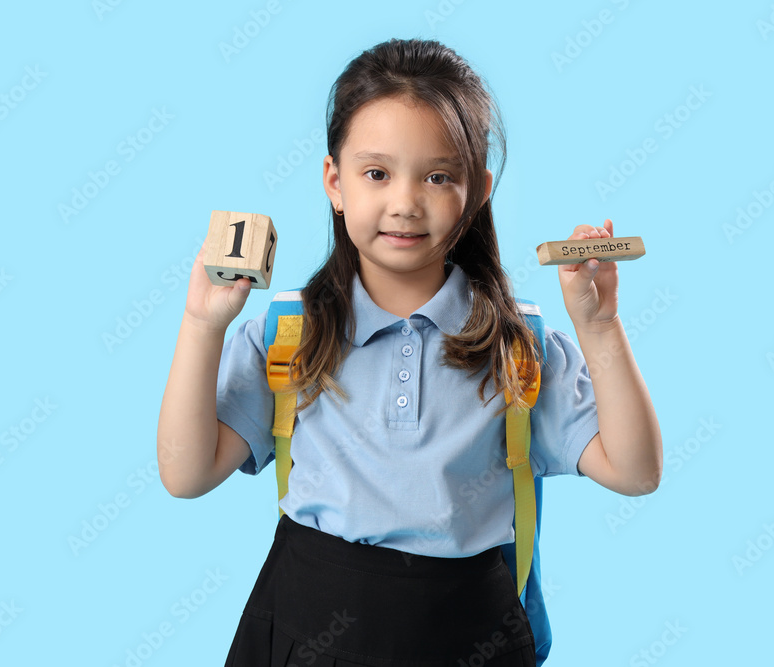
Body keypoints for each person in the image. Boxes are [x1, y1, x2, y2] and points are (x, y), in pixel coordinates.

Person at [157, 37, 662, 667]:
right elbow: (185, 474)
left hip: (468, 638)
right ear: (334, 182)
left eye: (438, 176)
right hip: (303, 634)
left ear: (477, 191)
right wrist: (201, 325)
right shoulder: (289, 334)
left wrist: (599, 324)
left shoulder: (518, 348)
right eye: (377, 173)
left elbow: (636, 471)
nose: (404, 202)